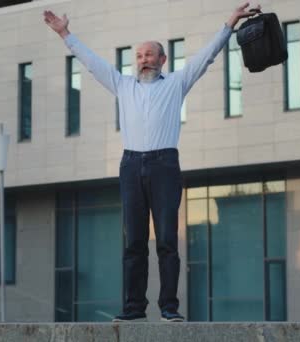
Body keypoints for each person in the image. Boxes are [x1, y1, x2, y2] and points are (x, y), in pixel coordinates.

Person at [44, 2, 260, 322]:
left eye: (150, 55)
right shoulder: (122, 85)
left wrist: (230, 23)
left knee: (168, 241)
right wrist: (65, 34)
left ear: (163, 59)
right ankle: (134, 308)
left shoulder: (176, 83)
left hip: (164, 165)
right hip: (131, 166)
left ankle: (169, 307)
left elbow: (207, 56)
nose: (144, 60)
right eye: (140, 56)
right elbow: (91, 63)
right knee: (134, 241)